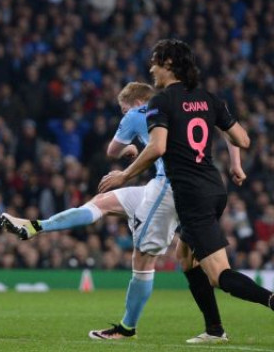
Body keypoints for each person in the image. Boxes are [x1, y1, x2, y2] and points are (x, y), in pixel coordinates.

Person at [1, 81, 234, 342]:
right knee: (102, 202)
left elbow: (112, 150)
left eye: (123, 110)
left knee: (144, 260)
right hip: (172, 187)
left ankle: (126, 328)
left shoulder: (137, 115)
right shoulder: (175, 111)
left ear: (136, 103)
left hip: (168, 192)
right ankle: (36, 226)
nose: (124, 115)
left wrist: (128, 148)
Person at [99, 39, 274, 342]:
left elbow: (157, 147)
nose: (151, 68)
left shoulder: (162, 101)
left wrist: (124, 175)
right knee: (185, 257)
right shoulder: (208, 98)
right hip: (214, 187)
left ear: (169, 64)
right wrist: (236, 165)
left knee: (219, 275)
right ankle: (214, 330)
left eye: (155, 61)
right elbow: (243, 139)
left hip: (191, 194)